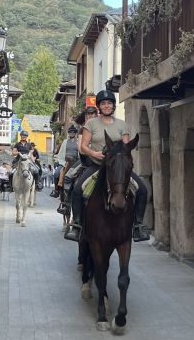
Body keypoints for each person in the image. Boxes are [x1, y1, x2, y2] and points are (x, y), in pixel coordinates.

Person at [64, 90, 150, 243]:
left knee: (142, 190)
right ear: (99, 106)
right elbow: (83, 146)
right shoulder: (91, 124)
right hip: (97, 165)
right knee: (77, 190)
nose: (106, 106)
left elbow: (125, 147)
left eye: (109, 103)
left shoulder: (122, 125)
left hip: (116, 169)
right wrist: (95, 154)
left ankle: (138, 225)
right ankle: (76, 225)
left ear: (113, 106)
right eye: (103, 103)